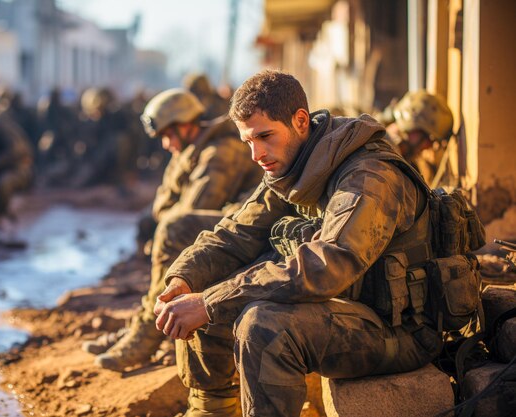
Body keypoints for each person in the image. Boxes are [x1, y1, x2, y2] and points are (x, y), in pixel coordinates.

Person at [152, 70, 444, 416]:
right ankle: (211, 410)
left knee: (260, 322)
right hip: (340, 309)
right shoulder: (293, 163)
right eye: (248, 141)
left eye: (265, 136)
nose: (256, 154)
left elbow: (327, 267)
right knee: (207, 287)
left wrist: (211, 302)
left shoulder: (368, 175)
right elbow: (234, 233)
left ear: (300, 121)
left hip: (400, 329)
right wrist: (184, 279)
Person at [83, 88, 262, 371]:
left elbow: (192, 213)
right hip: (226, 232)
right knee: (158, 229)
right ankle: (145, 321)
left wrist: (162, 232)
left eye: (168, 134)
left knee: (174, 232)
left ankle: (146, 335)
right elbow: (164, 204)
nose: (165, 144)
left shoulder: (221, 152)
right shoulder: (192, 150)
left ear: (185, 125)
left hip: (246, 237)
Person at [381, 90, 454, 184]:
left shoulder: (396, 157)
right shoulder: (383, 158)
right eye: (429, 139)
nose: (428, 147)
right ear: (412, 127)